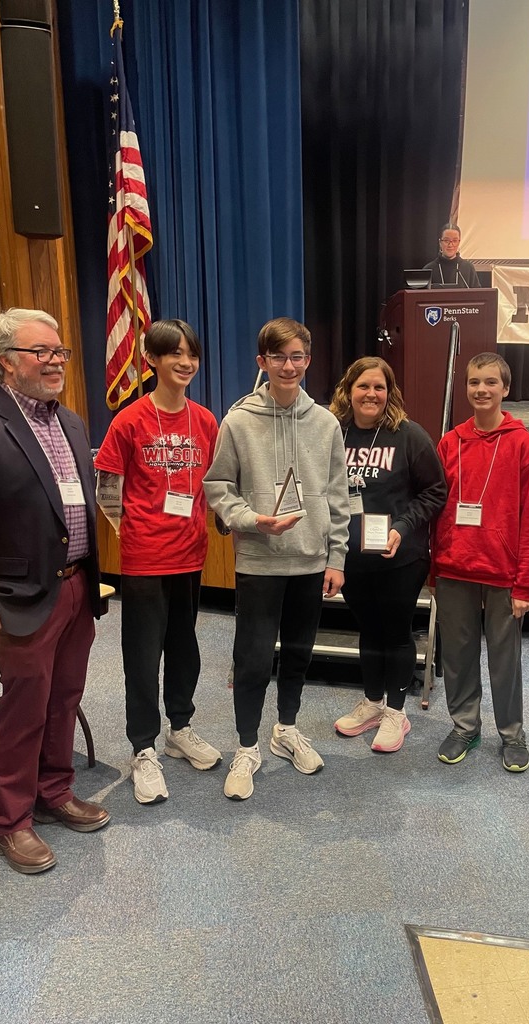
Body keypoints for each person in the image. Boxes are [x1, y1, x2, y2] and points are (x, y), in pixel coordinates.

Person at [0, 308, 108, 874]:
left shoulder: (73, 423)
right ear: (7, 361)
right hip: (18, 598)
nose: (56, 362)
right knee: (23, 710)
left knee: (64, 699)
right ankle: (12, 820)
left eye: (60, 352)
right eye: (43, 352)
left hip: (78, 584)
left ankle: (55, 791)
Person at [204, 317, 350, 800]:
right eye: (278, 357)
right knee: (251, 660)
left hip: (310, 564)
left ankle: (285, 728)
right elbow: (218, 486)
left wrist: (337, 558)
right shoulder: (238, 420)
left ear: (307, 361)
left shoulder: (326, 422)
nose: (288, 367)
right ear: (261, 362)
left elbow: (337, 496)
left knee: (299, 655)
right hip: (260, 564)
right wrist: (251, 519)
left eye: (297, 357)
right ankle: (247, 747)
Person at [94, 319, 221, 805]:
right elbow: (107, 488)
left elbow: (212, 482)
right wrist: (137, 533)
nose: (185, 363)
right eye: (175, 354)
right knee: (143, 658)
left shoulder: (205, 420)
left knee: (185, 648)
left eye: (192, 354)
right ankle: (143, 747)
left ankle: (180, 728)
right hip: (145, 561)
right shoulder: (130, 420)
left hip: (191, 556)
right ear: (152, 360)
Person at [432, 352, 529, 772]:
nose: (481, 389)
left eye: (490, 382)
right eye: (474, 382)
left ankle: (512, 733)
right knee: (457, 654)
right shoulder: (449, 442)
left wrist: (525, 583)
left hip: (503, 571)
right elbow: (438, 508)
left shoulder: (523, 444)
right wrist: (434, 567)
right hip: (454, 566)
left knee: (505, 657)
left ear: (505, 389)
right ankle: (464, 725)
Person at [329, 358, 447, 751]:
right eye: (363, 386)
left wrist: (402, 526)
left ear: (389, 392)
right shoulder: (335, 434)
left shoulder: (409, 435)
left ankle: (397, 712)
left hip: (401, 556)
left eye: (379, 387)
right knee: (369, 630)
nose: (371, 394)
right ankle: (373, 702)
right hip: (352, 555)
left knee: (395, 632)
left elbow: (435, 491)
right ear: (349, 389)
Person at [423, 222, 481, 288]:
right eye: (446, 240)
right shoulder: (429, 270)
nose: (450, 245)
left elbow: (478, 295)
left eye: (454, 240)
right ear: (440, 243)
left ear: (459, 242)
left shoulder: (468, 268)